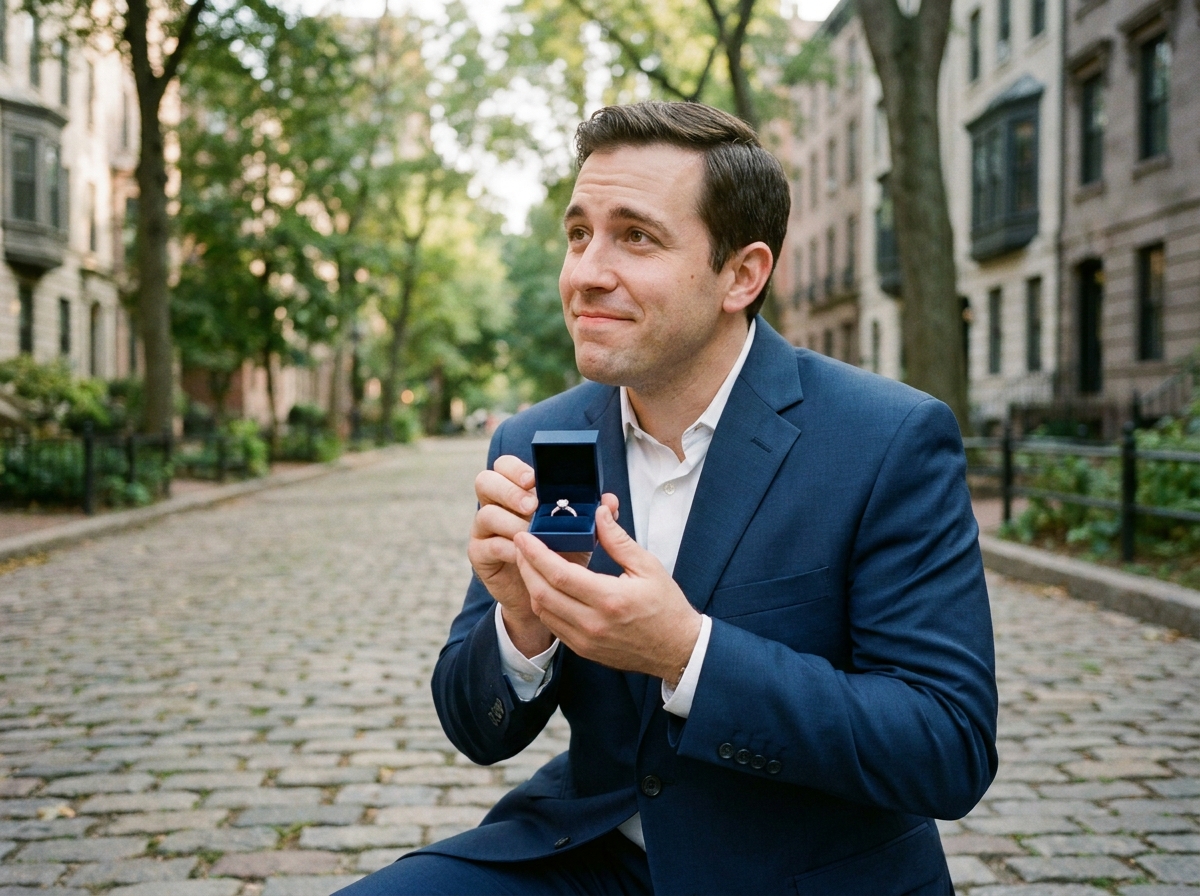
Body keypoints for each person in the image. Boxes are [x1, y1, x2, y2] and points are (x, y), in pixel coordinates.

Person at [339, 100, 997, 896]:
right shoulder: (539, 442)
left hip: (800, 875)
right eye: (579, 234)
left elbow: (947, 746)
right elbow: (476, 730)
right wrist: (522, 626)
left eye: (636, 236)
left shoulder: (886, 440)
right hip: (585, 856)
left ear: (742, 275)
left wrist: (689, 653)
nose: (585, 272)